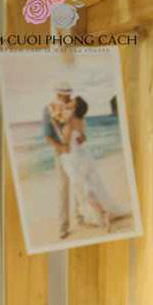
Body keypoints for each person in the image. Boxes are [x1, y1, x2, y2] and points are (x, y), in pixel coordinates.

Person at [57, 96, 117, 231]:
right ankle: (102, 211)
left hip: (73, 157)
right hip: (83, 155)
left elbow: (65, 142)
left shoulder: (69, 121)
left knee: (84, 190)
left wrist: (60, 130)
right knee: (89, 186)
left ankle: (103, 212)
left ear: (75, 107)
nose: (70, 102)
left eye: (72, 101)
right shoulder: (81, 120)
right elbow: (83, 138)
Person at [42, 82, 78, 239]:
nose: (67, 97)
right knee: (63, 187)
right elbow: (47, 136)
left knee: (79, 183)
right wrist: (61, 147)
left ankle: (81, 216)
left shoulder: (72, 107)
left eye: (69, 94)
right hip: (61, 152)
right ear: (58, 94)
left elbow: (78, 127)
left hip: (75, 149)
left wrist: (80, 137)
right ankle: (63, 227)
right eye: (65, 95)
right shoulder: (48, 109)